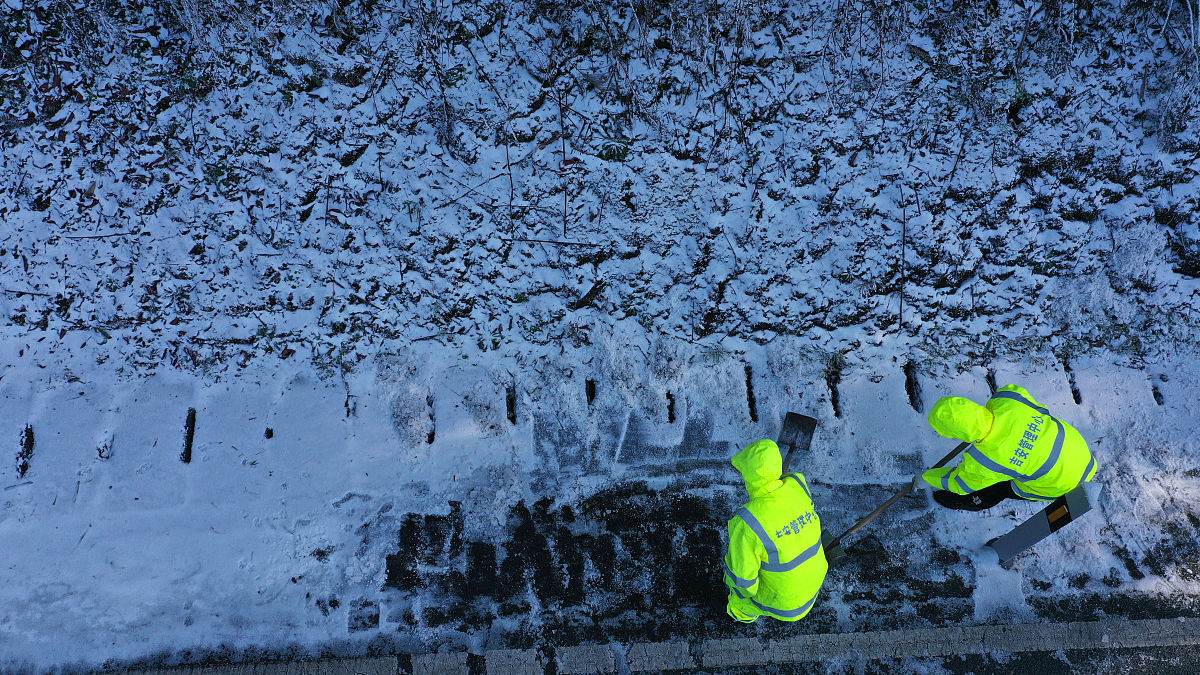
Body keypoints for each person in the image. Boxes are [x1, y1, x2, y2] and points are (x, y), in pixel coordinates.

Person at [922, 384, 1098, 511]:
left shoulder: (987, 460)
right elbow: (1013, 390)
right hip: (1079, 451)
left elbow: (959, 483)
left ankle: (972, 502)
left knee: (999, 487)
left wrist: (926, 477)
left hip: (1061, 484)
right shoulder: (1009, 399)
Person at [722, 439, 828, 623]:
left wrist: (732, 585)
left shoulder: (748, 521)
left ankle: (739, 614)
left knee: (739, 594)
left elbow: (745, 584)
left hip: (787, 606)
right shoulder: (798, 485)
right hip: (814, 585)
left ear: (747, 474)